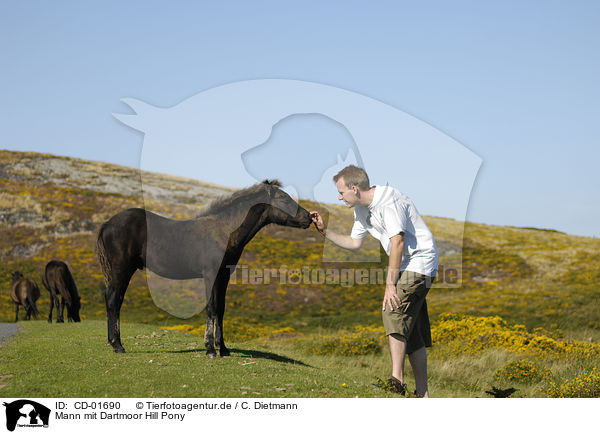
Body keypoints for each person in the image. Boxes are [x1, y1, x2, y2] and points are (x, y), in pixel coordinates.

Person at [310, 165, 438, 397]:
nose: (339, 197)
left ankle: (396, 380)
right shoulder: (361, 209)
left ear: (355, 188)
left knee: (392, 309)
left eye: (341, 192)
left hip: (420, 260)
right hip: (406, 264)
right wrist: (324, 231)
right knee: (412, 329)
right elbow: (354, 243)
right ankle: (423, 395)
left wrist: (390, 285)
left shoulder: (388, 201)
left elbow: (397, 242)